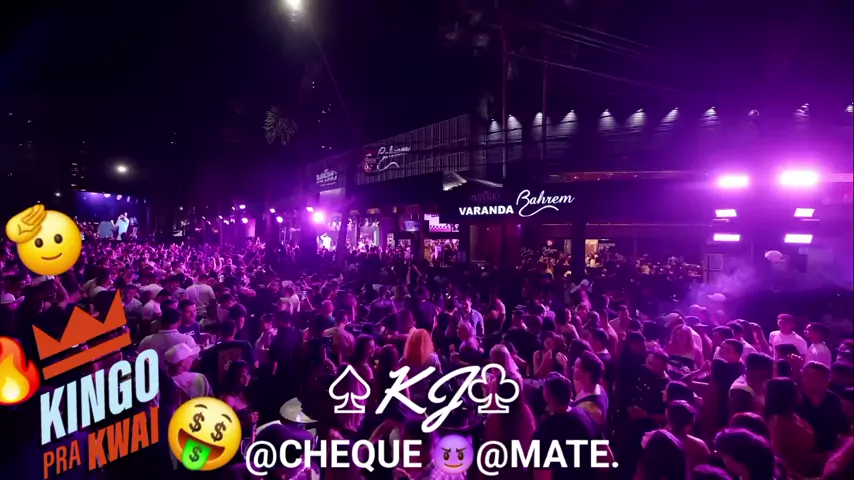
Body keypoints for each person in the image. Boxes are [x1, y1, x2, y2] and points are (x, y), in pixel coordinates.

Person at [533, 372, 600, 480]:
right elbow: (607, 459)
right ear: (570, 394)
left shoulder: (544, 432)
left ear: (546, 395)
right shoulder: (586, 415)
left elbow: (542, 477)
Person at [200, 319, 256, 393]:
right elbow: (253, 366)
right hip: (243, 388)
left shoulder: (212, 350)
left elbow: (206, 371)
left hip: (220, 390)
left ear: (220, 332)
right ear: (235, 331)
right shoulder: (245, 345)